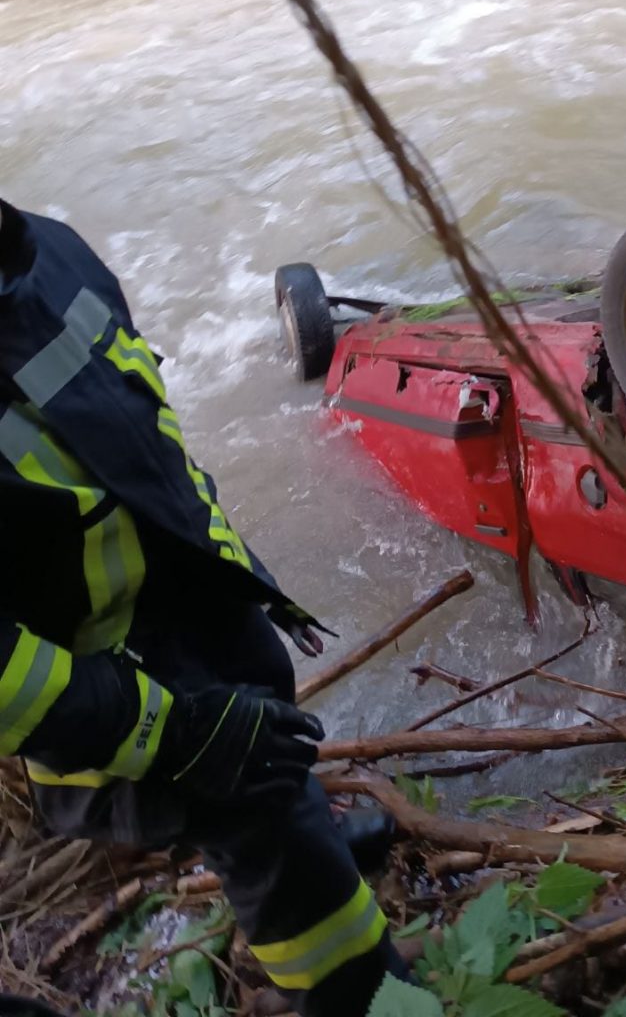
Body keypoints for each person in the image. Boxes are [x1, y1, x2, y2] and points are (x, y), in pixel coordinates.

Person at [0, 199, 407, 1016]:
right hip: (99, 694)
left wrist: (234, 566)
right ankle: (359, 989)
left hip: (188, 607)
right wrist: (175, 734)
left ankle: (308, 832)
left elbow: (138, 431)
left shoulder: (46, 249)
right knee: (257, 811)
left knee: (270, 731)